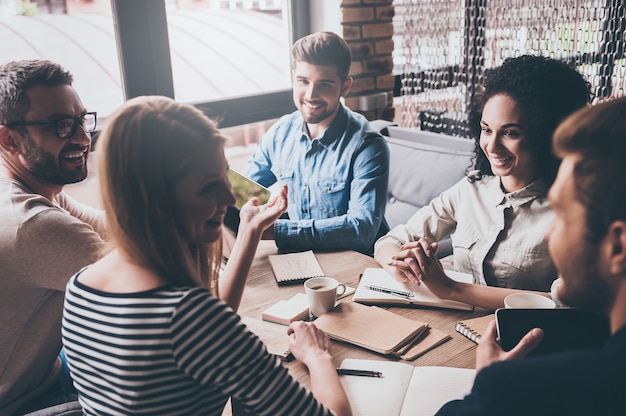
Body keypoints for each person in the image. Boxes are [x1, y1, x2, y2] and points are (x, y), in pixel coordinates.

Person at [61, 95, 352, 416]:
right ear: (157, 199)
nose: (229, 197)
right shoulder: (193, 319)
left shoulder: (80, 288)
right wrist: (318, 356)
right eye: (208, 186)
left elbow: (202, 332)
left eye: (225, 177)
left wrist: (249, 230)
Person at [435, 95, 626, 416]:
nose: (550, 233)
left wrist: (488, 385)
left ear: (617, 247)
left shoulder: (518, 388)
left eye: (563, 215)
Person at [374, 55, 591, 310]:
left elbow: (565, 303)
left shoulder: (572, 212)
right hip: (454, 326)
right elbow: (389, 242)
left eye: (510, 133)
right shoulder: (471, 190)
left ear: (548, 136)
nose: (492, 145)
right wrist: (406, 265)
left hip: (525, 338)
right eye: (486, 129)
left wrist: (452, 289)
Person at [0, 59, 107, 415]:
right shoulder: (35, 225)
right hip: (21, 403)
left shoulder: (32, 190)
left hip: (46, 373)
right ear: (8, 138)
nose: (81, 137)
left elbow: (111, 230)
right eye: (60, 126)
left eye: (80, 120)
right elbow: (157, 289)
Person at [243, 31, 390, 255]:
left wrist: (276, 231)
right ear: (294, 77)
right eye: (303, 81)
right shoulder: (280, 133)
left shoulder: (368, 146)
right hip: (301, 260)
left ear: (345, 87)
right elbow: (243, 192)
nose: (311, 95)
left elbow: (363, 230)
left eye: (324, 85)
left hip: (356, 265)